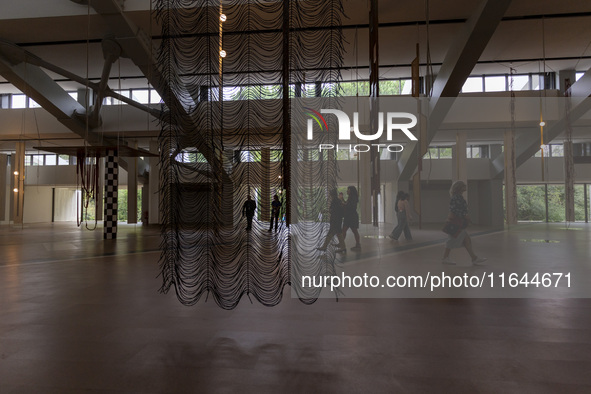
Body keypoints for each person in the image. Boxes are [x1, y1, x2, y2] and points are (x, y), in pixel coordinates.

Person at [442, 180, 487, 265]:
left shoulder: (457, 197)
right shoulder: (457, 198)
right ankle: (445, 258)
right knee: (451, 240)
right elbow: (456, 210)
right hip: (456, 223)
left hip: (457, 223)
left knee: (466, 239)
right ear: (460, 187)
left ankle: (474, 258)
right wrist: (465, 216)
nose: (465, 187)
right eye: (463, 186)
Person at [342, 186, 361, 251]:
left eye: (348, 190)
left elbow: (350, 207)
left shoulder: (353, 198)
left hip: (351, 217)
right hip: (349, 216)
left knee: (353, 231)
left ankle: (357, 244)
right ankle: (342, 244)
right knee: (345, 230)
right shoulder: (351, 198)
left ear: (351, 191)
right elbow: (347, 205)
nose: (347, 191)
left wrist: (343, 204)